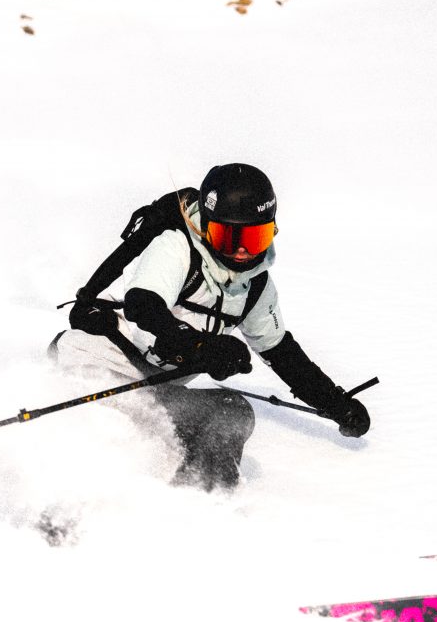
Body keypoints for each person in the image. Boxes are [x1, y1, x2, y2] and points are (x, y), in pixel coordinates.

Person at [49, 163, 369, 491]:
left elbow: (280, 352)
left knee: (231, 414)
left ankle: (197, 505)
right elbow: (143, 306)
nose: (243, 252)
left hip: (152, 389)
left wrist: (335, 404)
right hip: (95, 366)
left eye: (255, 238)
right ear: (207, 227)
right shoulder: (176, 247)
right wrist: (200, 346)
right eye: (230, 238)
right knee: (110, 444)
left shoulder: (255, 286)